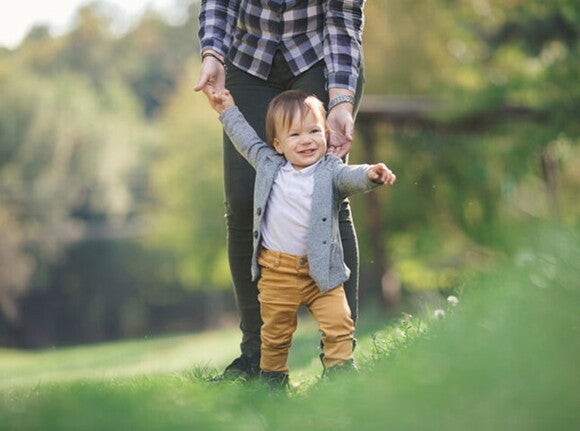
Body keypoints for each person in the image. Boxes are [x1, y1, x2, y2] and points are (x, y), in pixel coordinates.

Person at [195, 0, 367, 378]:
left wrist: (340, 99)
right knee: (243, 201)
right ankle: (256, 358)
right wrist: (213, 53)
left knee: (328, 192)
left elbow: (342, 15)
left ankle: (340, 358)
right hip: (248, 55)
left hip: (318, 53)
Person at [205, 88, 396, 386]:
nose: (306, 140)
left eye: (314, 131)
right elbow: (245, 139)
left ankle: (340, 373)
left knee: (339, 323)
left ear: (326, 134)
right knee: (275, 333)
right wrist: (226, 109)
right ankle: (274, 380)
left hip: (322, 271)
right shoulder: (270, 165)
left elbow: (351, 177)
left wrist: (371, 174)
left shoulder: (330, 170)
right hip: (277, 272)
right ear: (278, 144)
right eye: (295, 135)